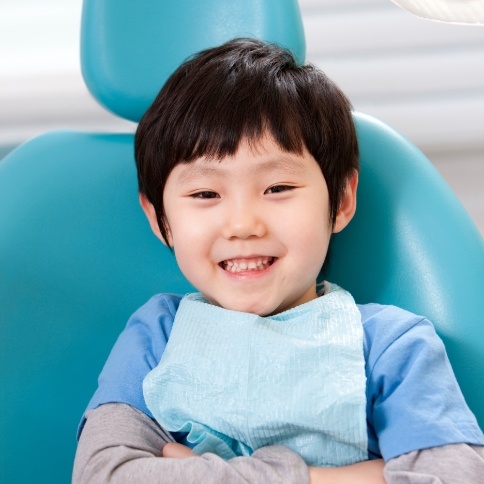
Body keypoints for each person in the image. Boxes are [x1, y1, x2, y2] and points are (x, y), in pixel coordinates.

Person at [73, 38, 484, 483]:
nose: (243, 224)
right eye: (205, 194)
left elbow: (454, 476)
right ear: (160, 219)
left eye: (278, 188)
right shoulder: (155, 338)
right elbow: (104, 474)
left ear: (342, 200)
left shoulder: (391, 346)